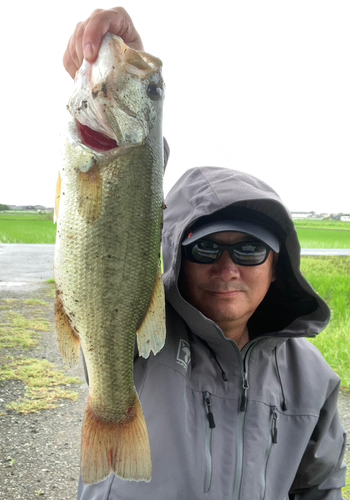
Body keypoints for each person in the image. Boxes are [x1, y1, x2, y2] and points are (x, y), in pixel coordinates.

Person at [64, 8, 347, 500]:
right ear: (177, 252)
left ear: (278, 266)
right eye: (206, 246)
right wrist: (125, 82)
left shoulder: (313, 381)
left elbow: (320, 488)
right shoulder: (143, 341)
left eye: (251, 250)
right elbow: (124, 197)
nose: (227, 267)